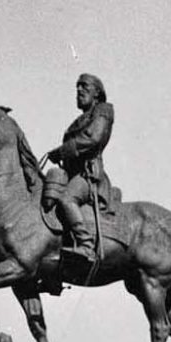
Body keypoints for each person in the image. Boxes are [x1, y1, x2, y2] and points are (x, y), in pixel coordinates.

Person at [44, 73, 115, 251]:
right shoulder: (78, 121)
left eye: (84, 86)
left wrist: (62, 151)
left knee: (66, 199)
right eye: (77, 87)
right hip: (72, 175)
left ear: (97, 93)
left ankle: (86, 244)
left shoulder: (103, 110)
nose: (79, 90)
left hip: (88, 176)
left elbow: (93, 138)